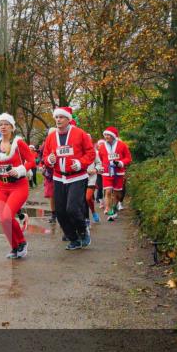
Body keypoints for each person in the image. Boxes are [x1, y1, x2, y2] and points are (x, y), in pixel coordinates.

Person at [0, 113, 35, 259]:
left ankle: (21, 242)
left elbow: (31, 162)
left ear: (12, 127)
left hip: (18, 185)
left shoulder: (18, 143)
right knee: (4, 221)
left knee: (7, 216)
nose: (3, 127)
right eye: (1, 124)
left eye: (6, 124)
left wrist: (19, 170)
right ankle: (15, 247)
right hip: (1, 187)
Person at [40, 106, 96, 250]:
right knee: (60, 211)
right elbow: (45, 157)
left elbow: (91, 153)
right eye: (56, 117)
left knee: (72, 208)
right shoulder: (51, 137)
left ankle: (83, 231)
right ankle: (73, 239)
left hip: (77, 177)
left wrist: (80, 163)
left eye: (61, 117)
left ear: (68, 119)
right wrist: (50, 160)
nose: (58, 120)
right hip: (59, 178)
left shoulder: (80, 133)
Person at [97, 126, 132, 221]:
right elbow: (100, 158)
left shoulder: (122, 145)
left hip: (118, 173)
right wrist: (101, 166)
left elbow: (128, 158)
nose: (106, 136)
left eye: (108, 135)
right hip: (107, 173)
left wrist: (121, 163)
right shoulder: (102, 147)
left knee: (117, 194)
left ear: (113, 136)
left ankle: (114, 208)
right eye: (105, 135)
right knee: (108, 191)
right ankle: (108, 208)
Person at [86, 152, 102, 224]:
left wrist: (95, 169)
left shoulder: (93, 152)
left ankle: (93, 212)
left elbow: (99, 163)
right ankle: (86, 219)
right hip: (79, 178)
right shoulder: (77, 149)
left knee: (88, 198)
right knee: (82, 200)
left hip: (91, 178)